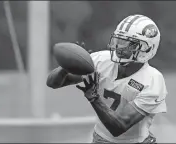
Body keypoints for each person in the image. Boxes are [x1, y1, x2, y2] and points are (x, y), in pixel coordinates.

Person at [46, 14, 167, 143]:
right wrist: (67, 66)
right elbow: (53, 83)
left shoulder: (153, 80)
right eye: (119, 40)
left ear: (147, 48)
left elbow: (119, 127)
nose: (119, 47)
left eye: (129, 44)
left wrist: (94, 98)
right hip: (100, 139)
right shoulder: (102, 60)